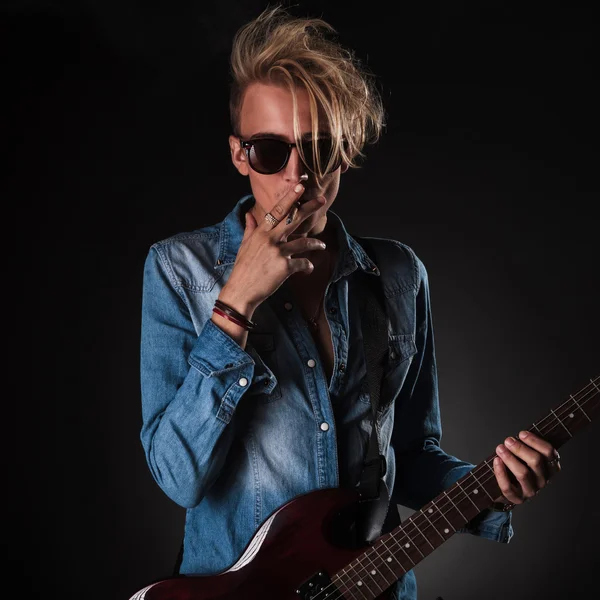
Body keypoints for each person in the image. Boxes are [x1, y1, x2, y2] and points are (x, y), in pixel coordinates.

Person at [139, 5, 561, 599]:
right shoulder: (178, 270)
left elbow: (410, 455)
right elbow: (179, 477)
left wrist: (493, 485)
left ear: (349, 146)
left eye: (318, 148)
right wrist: (234, 305)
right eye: (270, 152)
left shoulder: (397, 275)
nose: (298, 178)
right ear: (239, 154)